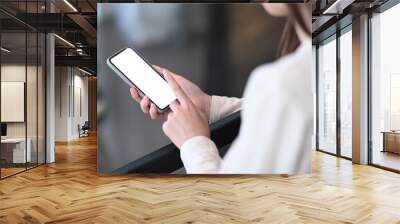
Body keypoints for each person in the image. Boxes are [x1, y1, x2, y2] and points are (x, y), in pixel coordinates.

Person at [129, 3, 312, 174]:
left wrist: (193, 142)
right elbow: (279, 114)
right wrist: (211, 106)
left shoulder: (280, 84)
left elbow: (233, 202)